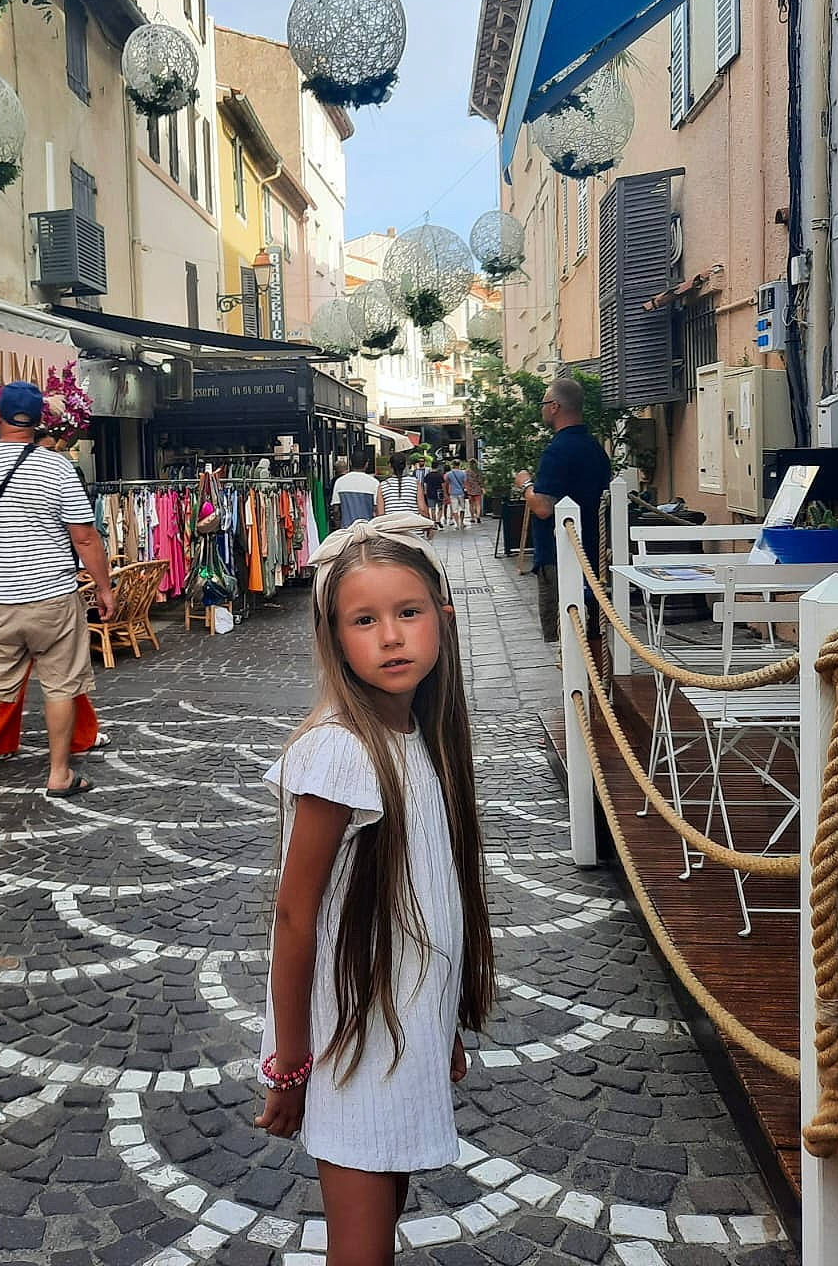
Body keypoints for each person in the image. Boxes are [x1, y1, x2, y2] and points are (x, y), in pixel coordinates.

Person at [255, 513, 493, 1266]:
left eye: (408, 613)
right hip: (349, 1045)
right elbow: (293, 920)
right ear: (334, 636)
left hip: (399, 1029)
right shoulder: (340, 750)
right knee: (362, 1247)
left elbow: (426, 901)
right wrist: (291, 1063)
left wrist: (444, 1021)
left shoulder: (416, 733)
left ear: (443, 622)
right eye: (365, 620)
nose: (390, 636)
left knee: (384, 1215)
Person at [0, 381, 115, 813]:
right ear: (39, 421)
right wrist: (105, 588)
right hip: (53, 596)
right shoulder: (58, 469)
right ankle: (59, 775)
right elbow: (86, 538)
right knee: (60, 684)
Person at [513, 376, 612, 645]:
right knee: (593, 632)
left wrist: (525, 485)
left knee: (570, 636)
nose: (542, 408)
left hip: (561, 556)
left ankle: (581, 687)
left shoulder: (557, 452)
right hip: (593, 551)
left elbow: (543, 507)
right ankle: (598, 685)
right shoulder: (595, 450)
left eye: (544, 403)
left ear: (555, 406)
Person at [330, 447, 380, 529]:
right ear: (367, 464)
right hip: (368, 530)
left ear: (350, 462)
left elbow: (336, 510)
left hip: (347, 530)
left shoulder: (340, 482)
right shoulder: (374, 483)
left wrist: (338, 527)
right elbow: (376, 510)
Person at [375, 451, 427, 518]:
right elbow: (422, 509)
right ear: (405, 466)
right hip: (412, 524)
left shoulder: (383, 485)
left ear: (390, 466)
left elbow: (381, 513)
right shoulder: (415, 483)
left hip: (391, 525)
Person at [443, 461, 468, 529]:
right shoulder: (463, 473)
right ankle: (462, 522)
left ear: (453, 465)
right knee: (462, 508)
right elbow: (465, 483)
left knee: (454, 509)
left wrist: (446, 493)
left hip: (453, 493)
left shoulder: (449, 474)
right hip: (461, 493)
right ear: (459, 465)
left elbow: (446, 483)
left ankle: (457, 524)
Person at [422, 462, 445, 526]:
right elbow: (443, 484)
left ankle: (434, 521)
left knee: (432, 508)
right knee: (440, 507)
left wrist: (425, 492)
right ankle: (438, 520)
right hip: (439, 493)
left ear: (431, 467)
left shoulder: (428, 475)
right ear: (437, 467)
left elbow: (425, 485)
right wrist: (444, 493)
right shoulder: (440, 475)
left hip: (430, 493)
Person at [464, 459, 484, 525]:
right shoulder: (478, 471)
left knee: (471, 504)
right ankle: (478, 516)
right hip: (477, 489)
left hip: (470, 489)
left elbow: (465, 480)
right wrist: (482, 487)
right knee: (478, 504)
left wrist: (466, 488)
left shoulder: (467, 472)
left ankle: (472, 517)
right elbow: (480, 481)